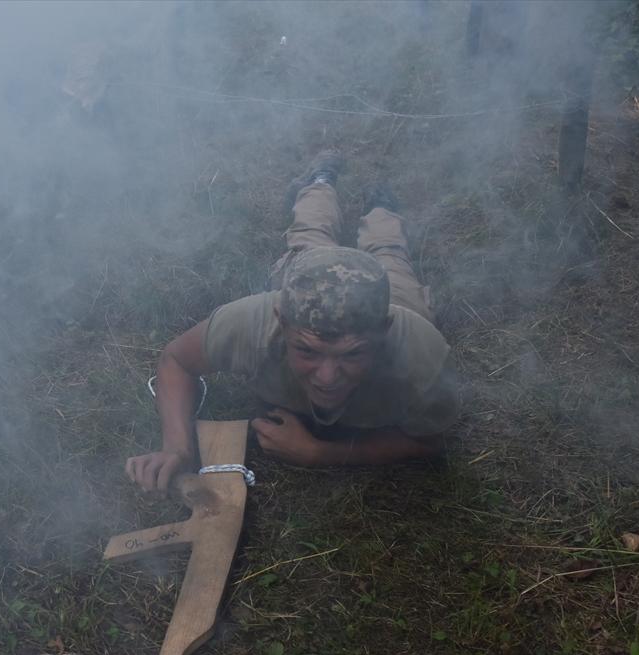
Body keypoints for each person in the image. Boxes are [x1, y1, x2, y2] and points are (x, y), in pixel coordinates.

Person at [125, 150, 459, 492]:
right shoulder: (252, 323)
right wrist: (177, 449)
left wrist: (322, 453)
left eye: (352, 354)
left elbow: (432, 440)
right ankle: (320, 182)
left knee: (389, 253)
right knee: (309, 236)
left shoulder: (421, 353)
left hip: (397, 300)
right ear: (281, 322)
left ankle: (381, 206)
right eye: (308, 351)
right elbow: (176, 360)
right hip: (305, 278)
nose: (327, 377)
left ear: (383, 331)